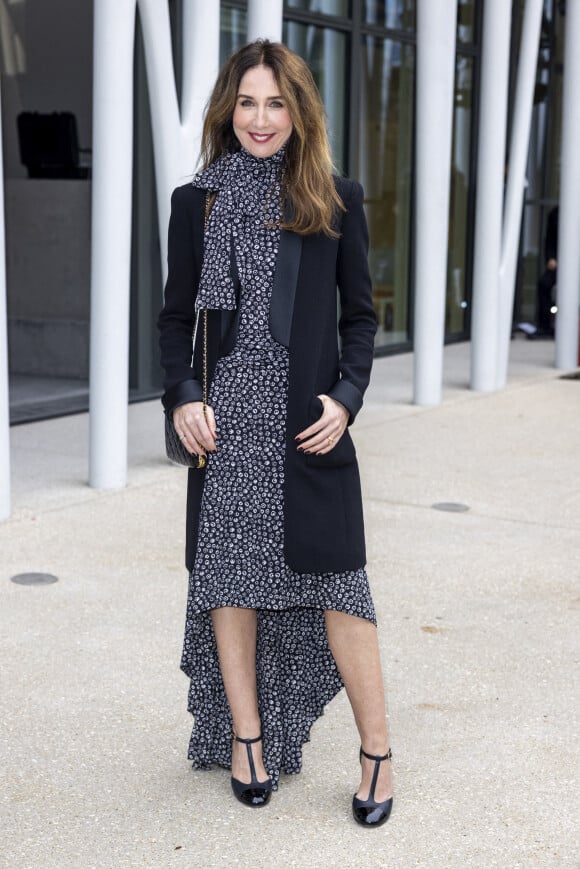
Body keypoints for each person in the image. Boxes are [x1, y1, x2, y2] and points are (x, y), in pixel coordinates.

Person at [157, 39, 393, 828]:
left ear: (300, 111)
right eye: (248, 102)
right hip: (225, 430)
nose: (260, 119)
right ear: (229, 108)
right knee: (229, 582)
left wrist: (347, 397)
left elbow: (361, 318)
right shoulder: (197, 203)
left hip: (307, 428)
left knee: (341, 589)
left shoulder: (332, 199)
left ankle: (377, 751)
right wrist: (184, 394)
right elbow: (173, 318)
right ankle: (247, 738)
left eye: (277, 103)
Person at [534, 205, 558, 337]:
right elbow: (549, 239)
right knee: (544, 284)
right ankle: (545, 326)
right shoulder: (556, 214)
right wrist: (551, 258)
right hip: (559, 262)